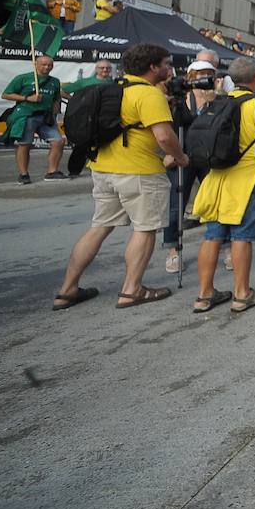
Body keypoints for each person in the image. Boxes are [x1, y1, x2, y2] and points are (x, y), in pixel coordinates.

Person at [53, 43, 188, 310]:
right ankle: (132, 289)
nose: (169, 69)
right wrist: (180, 156)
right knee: (145, 229)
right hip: (139, 171)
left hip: (103, 168)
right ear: (153, 67)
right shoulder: (149, 95)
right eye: (166, 64)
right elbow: (163, 135)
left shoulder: (113, 88)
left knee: (99, 227)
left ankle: (67, 290)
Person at [190, 57, 255, 313]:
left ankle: (204, 295)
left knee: (212, 235)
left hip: (217, 177)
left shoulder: (219, 100)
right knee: (241, 236)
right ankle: (242, 293)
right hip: (247, 178)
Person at [162, 60, 217, 274]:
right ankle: (173, 251)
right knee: (177, 204)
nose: (206, 78)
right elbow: (164, 127)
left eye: (209, 74)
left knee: (216, 201)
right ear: (191, 75)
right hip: (181, 154)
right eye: (201, 74)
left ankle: (224, 244)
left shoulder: (219, 97)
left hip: (209, 155)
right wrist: (167, 153)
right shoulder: (179, 96)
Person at [1, 54, 68, 183]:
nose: (47, 67)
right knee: (25, 144)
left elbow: (56, 98)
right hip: (27, 116)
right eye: (44, 64)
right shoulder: (23, 78)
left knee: (58, 142)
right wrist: (27, 98)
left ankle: (52, 171)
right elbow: (5, 95)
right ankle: (23, 174)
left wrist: (54, 114)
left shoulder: (54, 81)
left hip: (45, 117)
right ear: (36, 64)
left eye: (50, 65)